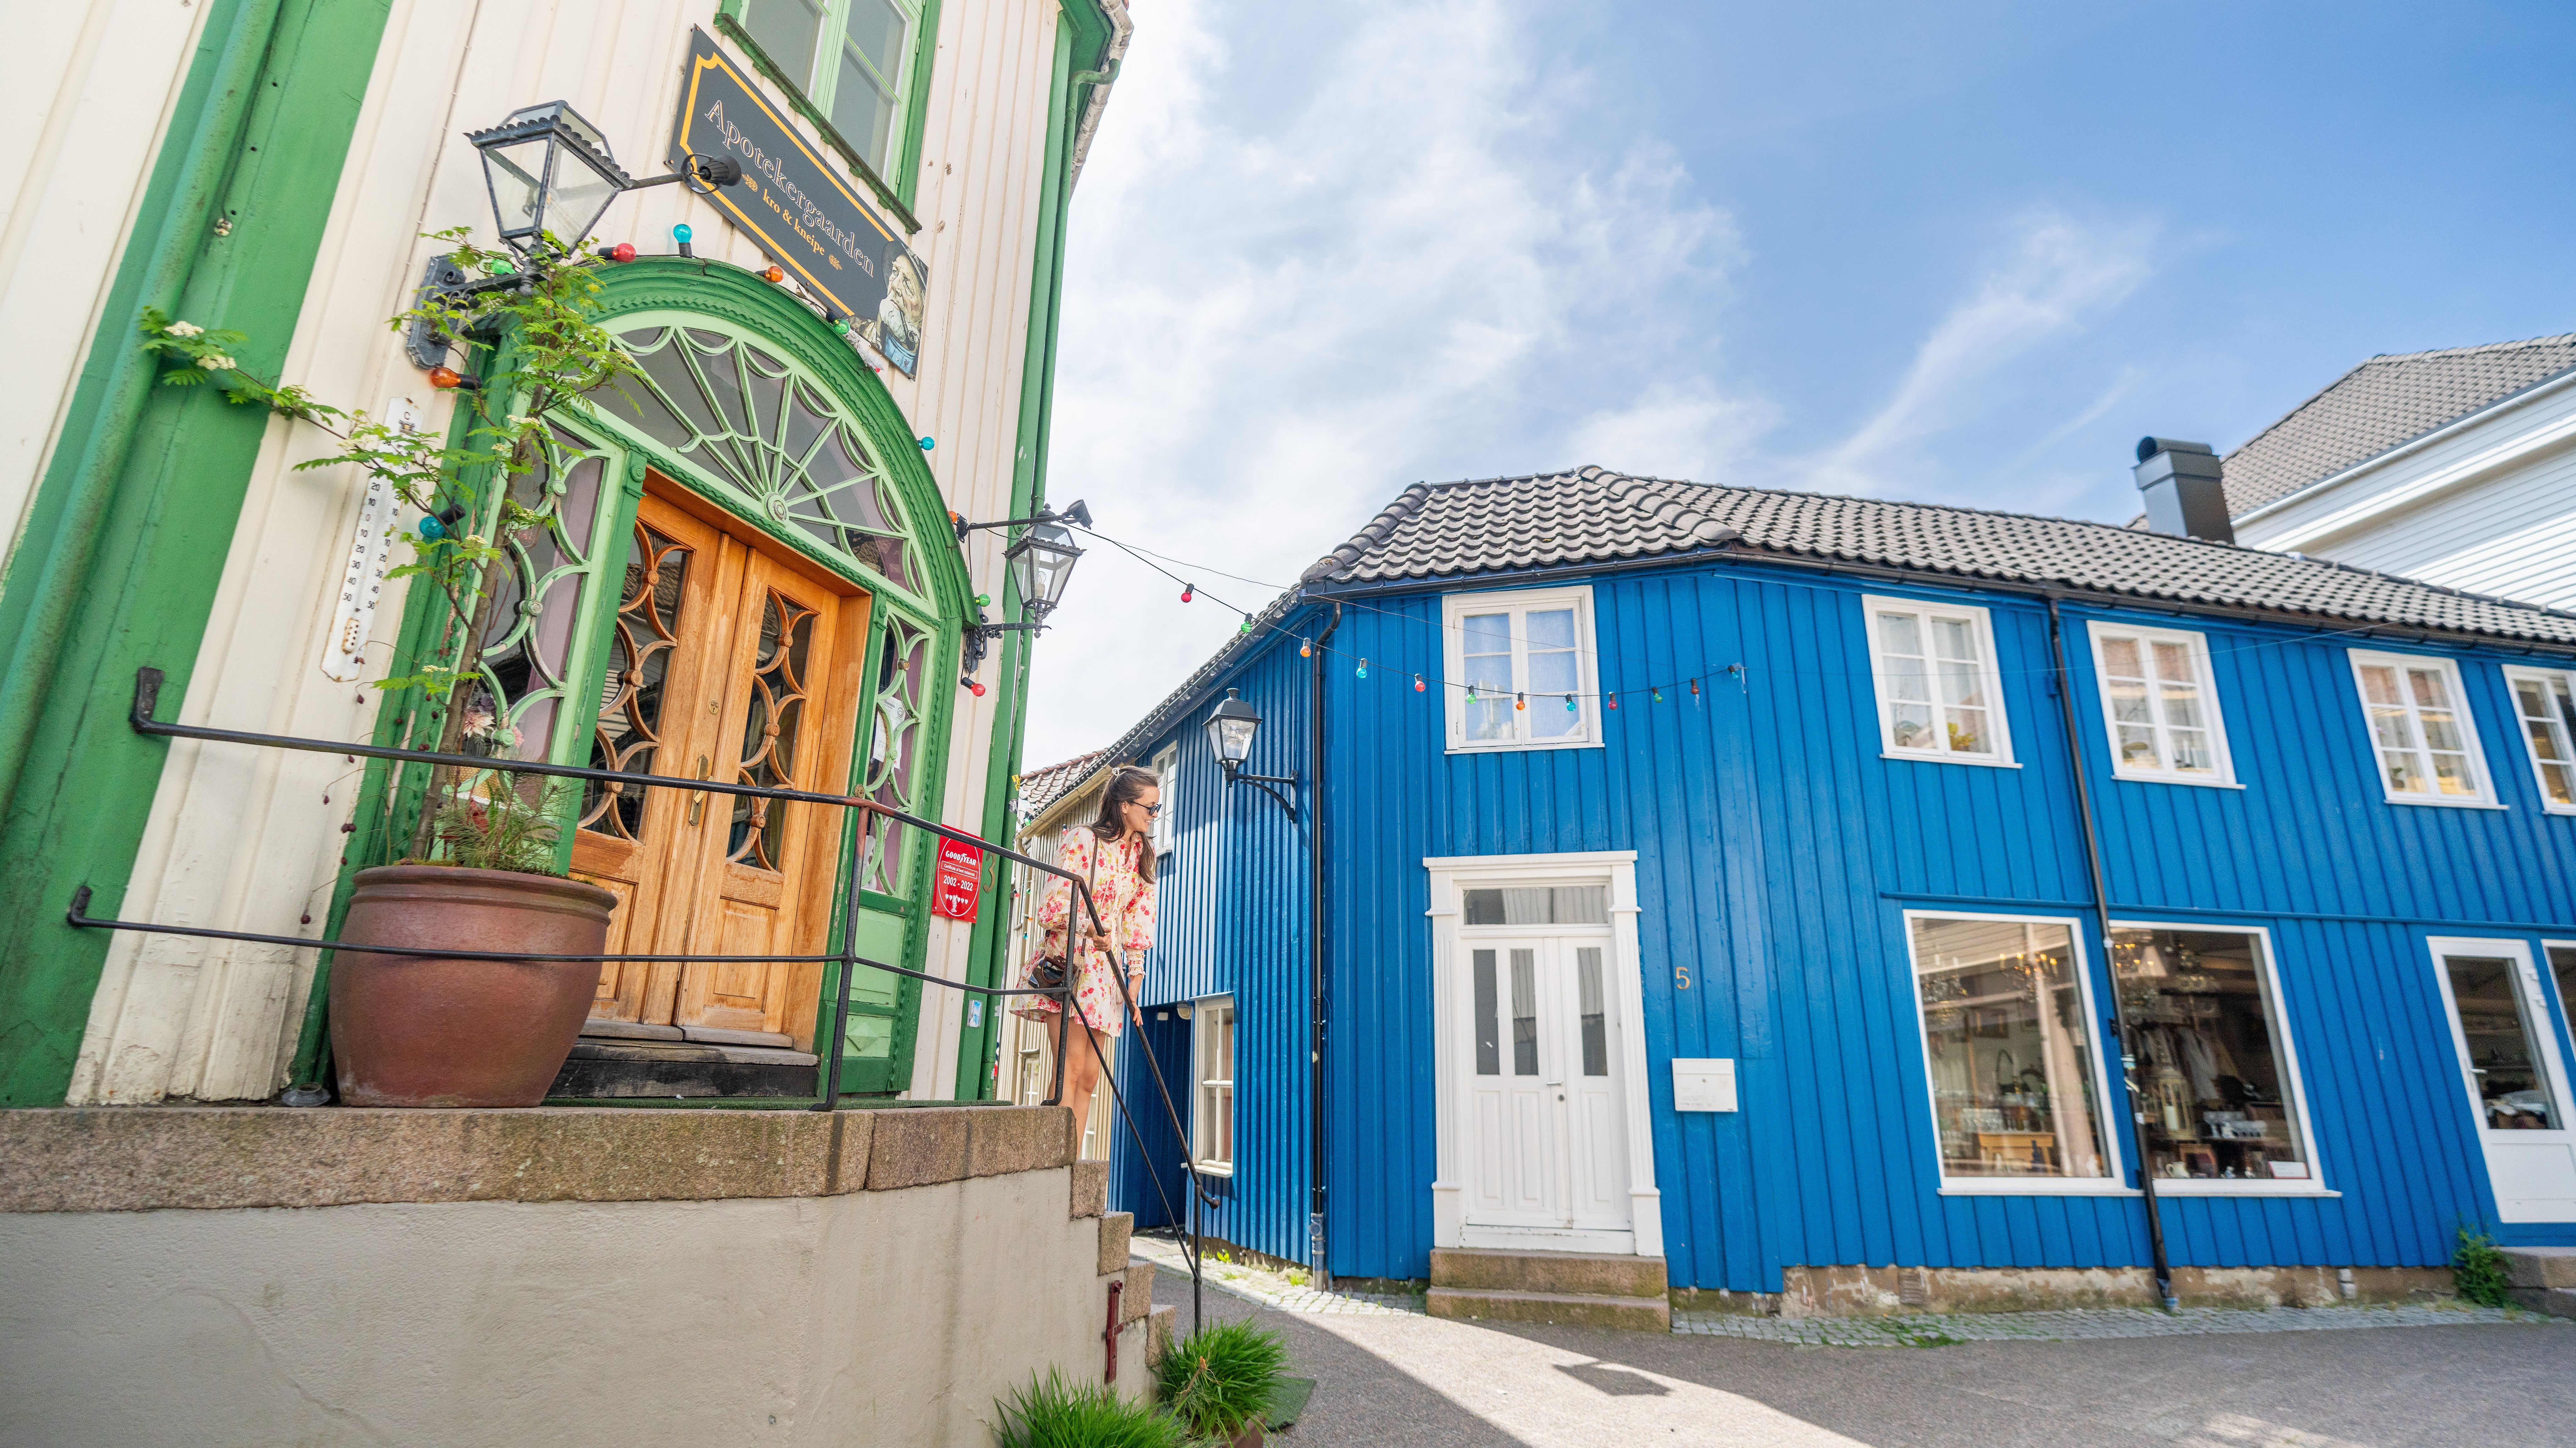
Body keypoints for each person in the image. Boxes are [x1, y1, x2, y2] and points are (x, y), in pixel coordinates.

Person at [1016, 764, 1159, 1151]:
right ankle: (1050, 1165)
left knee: (1090, 1078)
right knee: (1070, 1070)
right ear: (1125, 805)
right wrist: (1089, 928)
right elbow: (1050, 905)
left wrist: (1135, 980)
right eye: (1150, 807)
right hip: (1072, 966)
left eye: (1156, 808)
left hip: (1105, 978)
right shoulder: (1083, 840)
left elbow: (1137, 924)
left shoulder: (1140, 856)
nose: (1154, 815)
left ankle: (1070, 1169)